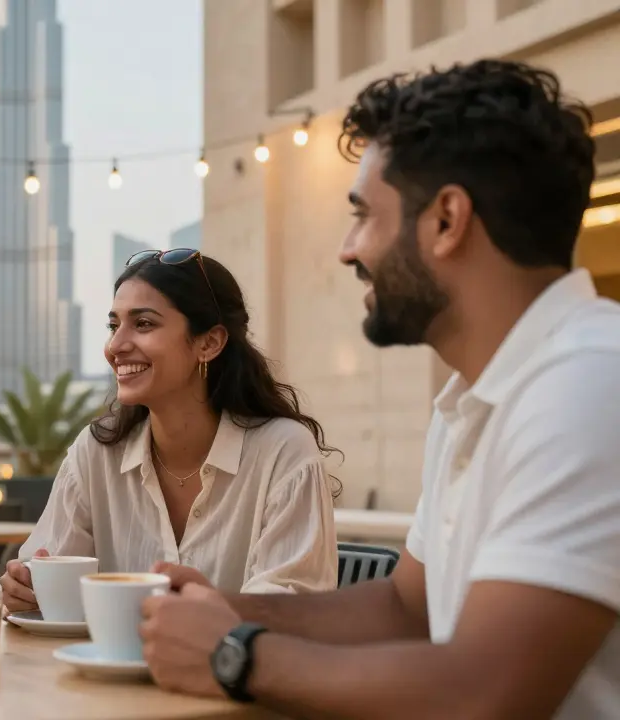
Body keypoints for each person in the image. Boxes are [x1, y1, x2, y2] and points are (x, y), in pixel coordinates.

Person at [140, 59, 620, 719]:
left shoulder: (588, 383)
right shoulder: (474, 401)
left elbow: (486, 695)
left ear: (447, 220)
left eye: (364, 214)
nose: (346, 249)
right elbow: (404, 608)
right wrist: (227, 606)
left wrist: (236, 652)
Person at [0, 249, 340, 613]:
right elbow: (47, 578)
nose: (115, 346)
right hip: (99, 669)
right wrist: (24, 590)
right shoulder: (96, 452)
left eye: (143, 324)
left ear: (209, 343)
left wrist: (212, 609)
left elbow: (293, 610)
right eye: (114, 326)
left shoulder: (284, 453)